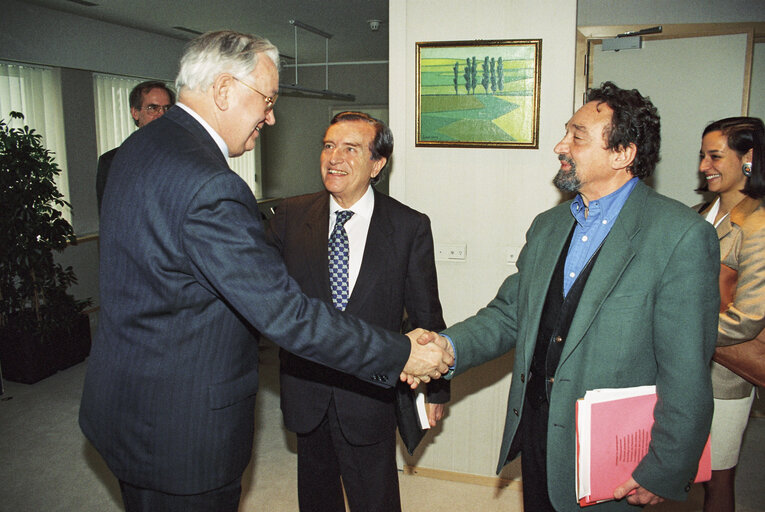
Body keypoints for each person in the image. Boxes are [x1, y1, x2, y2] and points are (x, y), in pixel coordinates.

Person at [79, 31, 452, 512]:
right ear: (224, 90)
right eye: (268, 99)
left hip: (131, 406)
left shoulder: (137, 150)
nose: (271, 117)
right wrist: (402, 351)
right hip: (182, 429)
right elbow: (286, 312)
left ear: (378, 163)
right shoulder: (212, 184)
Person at [412, 82, 720, 511]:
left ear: (622, 154)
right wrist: (446, 347)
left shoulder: (680, 236)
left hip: (615, 456)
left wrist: (666, 467)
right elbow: (508, 316)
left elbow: (686, 372)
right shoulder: (547, 226)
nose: (561, 145)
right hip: (537, 430)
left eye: (577, 136)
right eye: (566, 132)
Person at [267, 111, 449, 512]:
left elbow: (426, 313)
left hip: (370, 391)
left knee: (376, 498)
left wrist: (437, 386)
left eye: (351, 148)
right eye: (329, 146)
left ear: (377, 163)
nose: (335, 158)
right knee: (316, 497)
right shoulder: (290, 216)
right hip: (306, 386)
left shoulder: (408, 226)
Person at [696, 116, 765, 512]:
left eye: (716, 156)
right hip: (678, 368)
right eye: (702, 156)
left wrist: (680, 327)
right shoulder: (698, 214)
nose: (705, 165)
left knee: (717, 481)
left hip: (725, 379)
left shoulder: (756, 228)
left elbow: (748, 319)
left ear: (749, 158)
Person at [95, 80, 175, 212]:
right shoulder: (112, 162)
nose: (161, 114)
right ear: (135, 113)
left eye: (167, 108)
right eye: (153, 108)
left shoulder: (184, 157)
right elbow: (109, 216)